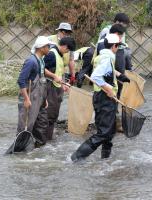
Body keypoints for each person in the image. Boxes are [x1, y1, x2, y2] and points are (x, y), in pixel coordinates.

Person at [71, 34, 130, 162]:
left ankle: (105, 160)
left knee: (110, 130)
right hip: (105, 98)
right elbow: (96, 76)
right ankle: (76, 157)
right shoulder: (107, 58)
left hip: (102, 98)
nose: (118, 49)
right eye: (118, 46)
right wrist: (109, 89)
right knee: (103, 132)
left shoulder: (101, 56)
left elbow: (107, 71)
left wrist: (119, 75)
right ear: (114, 46)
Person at [16, 36, 53, 147]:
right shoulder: (31, 61)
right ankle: (19, 149)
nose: (49, 48)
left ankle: (38, 148)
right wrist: (26, 99)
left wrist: (44, 99)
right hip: (30, 96)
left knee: (41, 122)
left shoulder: (41, 61)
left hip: (39, 97)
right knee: (26, 125)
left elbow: (42, 81)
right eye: (48, 46)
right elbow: (21, 80)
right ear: (41, 48)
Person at [43, 37, 76, 140]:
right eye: (68, 50)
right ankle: (44, 139)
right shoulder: (52, 54)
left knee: (53, 115)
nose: (67, 52)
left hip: (57, 88)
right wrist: (53, 76)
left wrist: (64, 84)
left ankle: (49, 138)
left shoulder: (59, 55)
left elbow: (59, 72)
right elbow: (41, 69)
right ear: (65, 46)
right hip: (49, 88)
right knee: (49, 114)